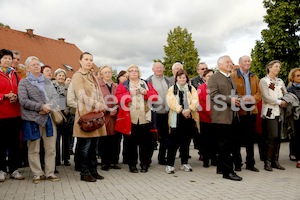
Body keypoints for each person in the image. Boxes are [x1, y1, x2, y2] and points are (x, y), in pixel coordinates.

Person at [18, 56, 60, 184]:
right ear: (28, 68)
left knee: (51, 148)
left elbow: (56, 98)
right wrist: (41, 107)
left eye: (38, 64)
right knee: (34, 149)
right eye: (34, 64)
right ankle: (37, 173)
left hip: (48, 118)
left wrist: (48, 107)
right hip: (32, 119)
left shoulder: (47, 82)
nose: (37, 66)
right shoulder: (24, 82)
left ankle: (50, 173)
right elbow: (23, 101)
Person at [115, 64, 158, 173]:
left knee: (146, 144)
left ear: (139, 73)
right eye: (131, 71)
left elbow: (155, 96)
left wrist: (146, 93)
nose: (133, 72)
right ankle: (132, 165)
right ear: (128, 73)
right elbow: (117, 98)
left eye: (136, 71)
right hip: (130, 119)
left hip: (145, 118)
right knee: (131, 144)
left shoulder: (146, 83)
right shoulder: (123, 85)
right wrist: (129, 94)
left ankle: (145, 164)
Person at [72, 52, 106, 182]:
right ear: (80, 61)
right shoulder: (77, 76)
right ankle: (84, 172)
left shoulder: (93, 76)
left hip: (96, 116)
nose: (89, 62)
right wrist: (96, 104)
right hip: (86, 116)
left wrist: (101, 103)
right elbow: (81, 96)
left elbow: (100, 94)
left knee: (94, 147)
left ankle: (93, 171)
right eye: (86, 59)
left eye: (91, 60)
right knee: (85, 147)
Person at [208, 55, 242, 181]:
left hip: (232, 116)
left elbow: (234, 93)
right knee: (225, 145)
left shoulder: (231, 77)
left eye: (231, 62)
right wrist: (230, 100)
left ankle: (221, 168)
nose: (230, 64)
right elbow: (214, 95)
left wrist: (237, 99)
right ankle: (228, 172)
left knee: (230, 144)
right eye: (227, 62)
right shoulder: (213, 78)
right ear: (220, 65)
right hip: (221, 117)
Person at [165, 69, 199, 174]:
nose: (182, 79)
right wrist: (180, 109)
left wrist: (190, 109)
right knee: (173, 143)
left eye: (184, 77)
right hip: (176, 118)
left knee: (186, 142)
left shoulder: (191, 88)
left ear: (186, 78)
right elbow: (171, 101)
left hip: (188, 118)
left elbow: (195, 100)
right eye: (180, 77)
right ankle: (170, 165)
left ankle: (184, 163)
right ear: (176, 78)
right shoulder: (172, 89)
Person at [231, 55, 261, 172]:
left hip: (252, 110)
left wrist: (252, 98)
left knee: (250, 139)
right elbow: (232, 92)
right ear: (240, 63)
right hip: (240, 110)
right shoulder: (233, 76)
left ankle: (250, 163)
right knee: (237, 139)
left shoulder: (254, 77)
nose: (248, 63)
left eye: (249, 61)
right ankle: (237, 163)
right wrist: (243, 99)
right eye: (245, 61)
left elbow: (259, 93)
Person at [0, 49, 24, 182]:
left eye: (10, 58)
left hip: (15, 114)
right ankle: (1, 170)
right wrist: (4, 96)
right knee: (2, 144)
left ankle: (14, 169)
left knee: (15, 143)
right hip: (1, 115)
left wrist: (17, 96)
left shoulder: (15, 75)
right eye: (5, 58)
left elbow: (22, 90)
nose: (8, 60)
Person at [259, 60, 287, 171]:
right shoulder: (264, 81)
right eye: (276, 66)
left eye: (279, 67)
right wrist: (279, 102)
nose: (278, 69)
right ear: (269, 67)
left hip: (280, 112)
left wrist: (285, 100)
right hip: (269, 111)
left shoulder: (280, 81)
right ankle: (268, 161)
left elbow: (285, 93)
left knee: (278, 137)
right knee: (273, 136)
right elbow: (266, 97)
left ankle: (275, 161)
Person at [147, 62, 172, 165]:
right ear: (153, 69)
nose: (159, 69)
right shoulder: (149, 80)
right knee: (152, 138)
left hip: (166, 112)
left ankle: (162, 158)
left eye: (161, 67)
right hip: (154, 113)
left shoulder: (168, 80)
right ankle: (147, 159)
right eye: (157, 68)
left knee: (165, 137)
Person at [97, 66, 121, 171]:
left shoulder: (116, 86)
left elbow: (120, 99)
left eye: (109, 72)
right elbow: (98, 100)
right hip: (104, 116)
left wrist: (116, 109)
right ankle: (105, 162)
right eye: (105, 72)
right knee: (104, 140)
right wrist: (107, 110)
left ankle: (114, 161)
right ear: (101, 74)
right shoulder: (98, 86)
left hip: (116, 116)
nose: (107, 74)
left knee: (115, 140)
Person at [197, 69, 217, 168]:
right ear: (204, 77)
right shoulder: (200, 88)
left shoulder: (216, 88)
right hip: (205, 118)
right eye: (208, 76)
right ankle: (206, 160)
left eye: (212, 76)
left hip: (216, 118)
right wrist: (210, 113)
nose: (211, 78)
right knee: (205, 140)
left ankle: (214, 159)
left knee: (215, 140)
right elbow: (200, 103)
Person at [52, 68, 71, 167]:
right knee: (56, 138)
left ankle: (66, 159)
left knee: (66, 138)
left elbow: (70, 99)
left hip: (66, 114)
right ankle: (57, 159)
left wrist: (68, 108)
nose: (61, 77)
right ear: (55, 77)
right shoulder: (52, 86)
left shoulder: (68, 86)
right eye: (59, 75)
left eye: (63, 75)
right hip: (56, 114)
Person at [287, 68, 300, 168]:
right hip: (296, 116)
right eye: (298, 76)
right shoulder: (290, 89)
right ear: (292, 77)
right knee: (296, 136)